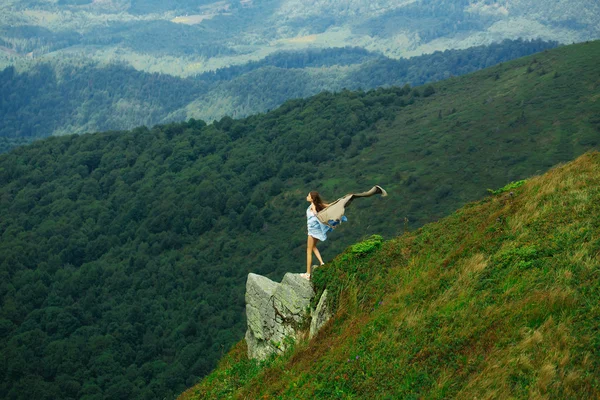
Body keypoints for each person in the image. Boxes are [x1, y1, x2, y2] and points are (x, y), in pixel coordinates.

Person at [302, 191, 330, 280]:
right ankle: (322, 262)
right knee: (313, 247)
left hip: (313, 231)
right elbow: (329, 205)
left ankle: (308, 274)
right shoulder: (318, 204)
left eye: (308, 196)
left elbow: (315, 214)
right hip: (316, 230)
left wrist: (314, 211)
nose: (307, 197)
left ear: (312, 198)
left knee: (308, 251)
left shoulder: (313, 206)